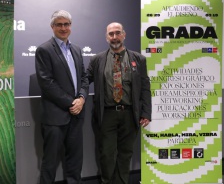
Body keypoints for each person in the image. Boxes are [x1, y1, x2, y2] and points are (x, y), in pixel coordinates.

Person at [87, 22, 152, 184]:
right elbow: (83, 81)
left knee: (125, 153)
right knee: (107, 154)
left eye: (117, 33)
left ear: (124, 35)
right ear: (106, 37)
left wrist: (146, 113)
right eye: (111, 34)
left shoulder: (139, 59)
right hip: (106, 114)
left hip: (130, 114)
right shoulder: (97, 60)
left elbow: (145, 87)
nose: (114, 37)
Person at [35, 10, 89, 184]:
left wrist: (81, 98)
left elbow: (84, 78)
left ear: (70, 26)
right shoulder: (44, 50)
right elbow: (47, 83)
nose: (63, 28)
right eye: (59, 24)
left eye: (66, 24)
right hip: (55, 117)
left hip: (76, 114)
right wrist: (72, 103)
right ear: (52, 27)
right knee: (50, 163)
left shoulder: (77, 50)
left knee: (75, 162)